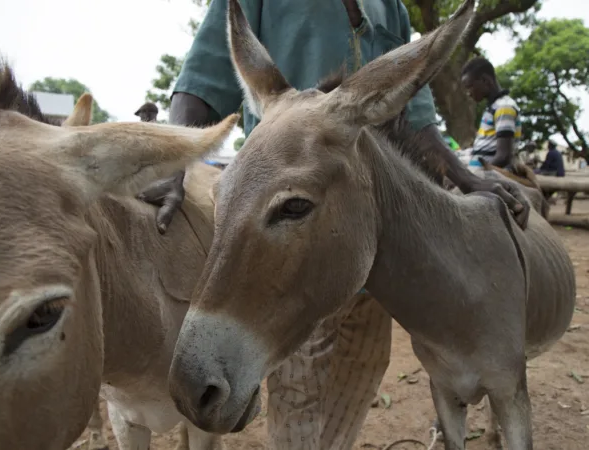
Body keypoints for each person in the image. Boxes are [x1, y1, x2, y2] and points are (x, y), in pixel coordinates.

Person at [136, 1, 530, 448]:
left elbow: (417, 116)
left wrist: (470, 179)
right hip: (291, 252)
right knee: (297, 398)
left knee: (358, 384)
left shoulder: (392, 8)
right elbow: (201, 82)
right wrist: (173, 163)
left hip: (378, 259)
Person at [461, 57, 522, 174]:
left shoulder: (504, 107)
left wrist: (473, 176)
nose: (468, 93)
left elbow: (503, 157)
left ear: (484, 80)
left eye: (470, 86)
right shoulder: (493, 107)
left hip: (491, 175)